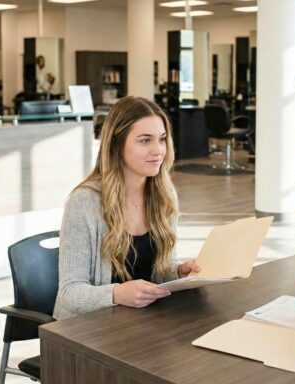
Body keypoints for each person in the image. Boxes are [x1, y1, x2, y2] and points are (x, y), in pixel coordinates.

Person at [53, 96, 200, 321]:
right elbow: (69, 293)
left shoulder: (165, 195)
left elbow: (157, 272)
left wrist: (178, 272)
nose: (158, 150)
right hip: (87, 330)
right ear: (116, 144)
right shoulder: (84, 202)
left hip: (141, 322)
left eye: (162, 139)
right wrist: (117, 293)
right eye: (144, 140)